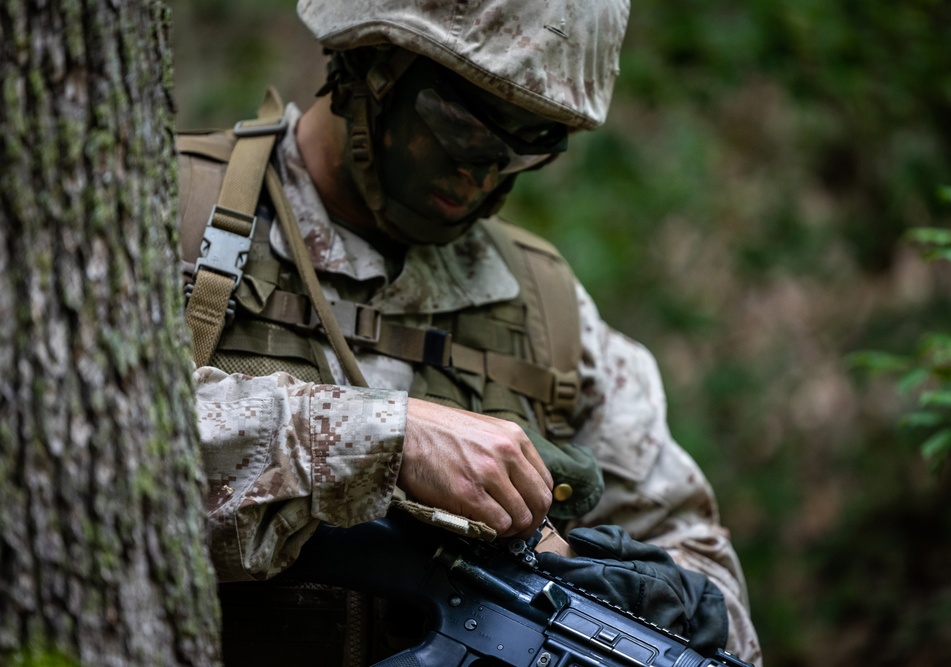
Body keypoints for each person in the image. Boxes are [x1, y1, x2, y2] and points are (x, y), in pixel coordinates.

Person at [177, 0, 762, 665]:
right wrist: (386, 439)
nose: (484, 173)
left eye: (532, 142)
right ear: (367, 63)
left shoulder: (546, 308)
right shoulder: (167, 215)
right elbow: (83, 458)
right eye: (458, 125)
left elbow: (707, 570)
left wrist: (622, 590)